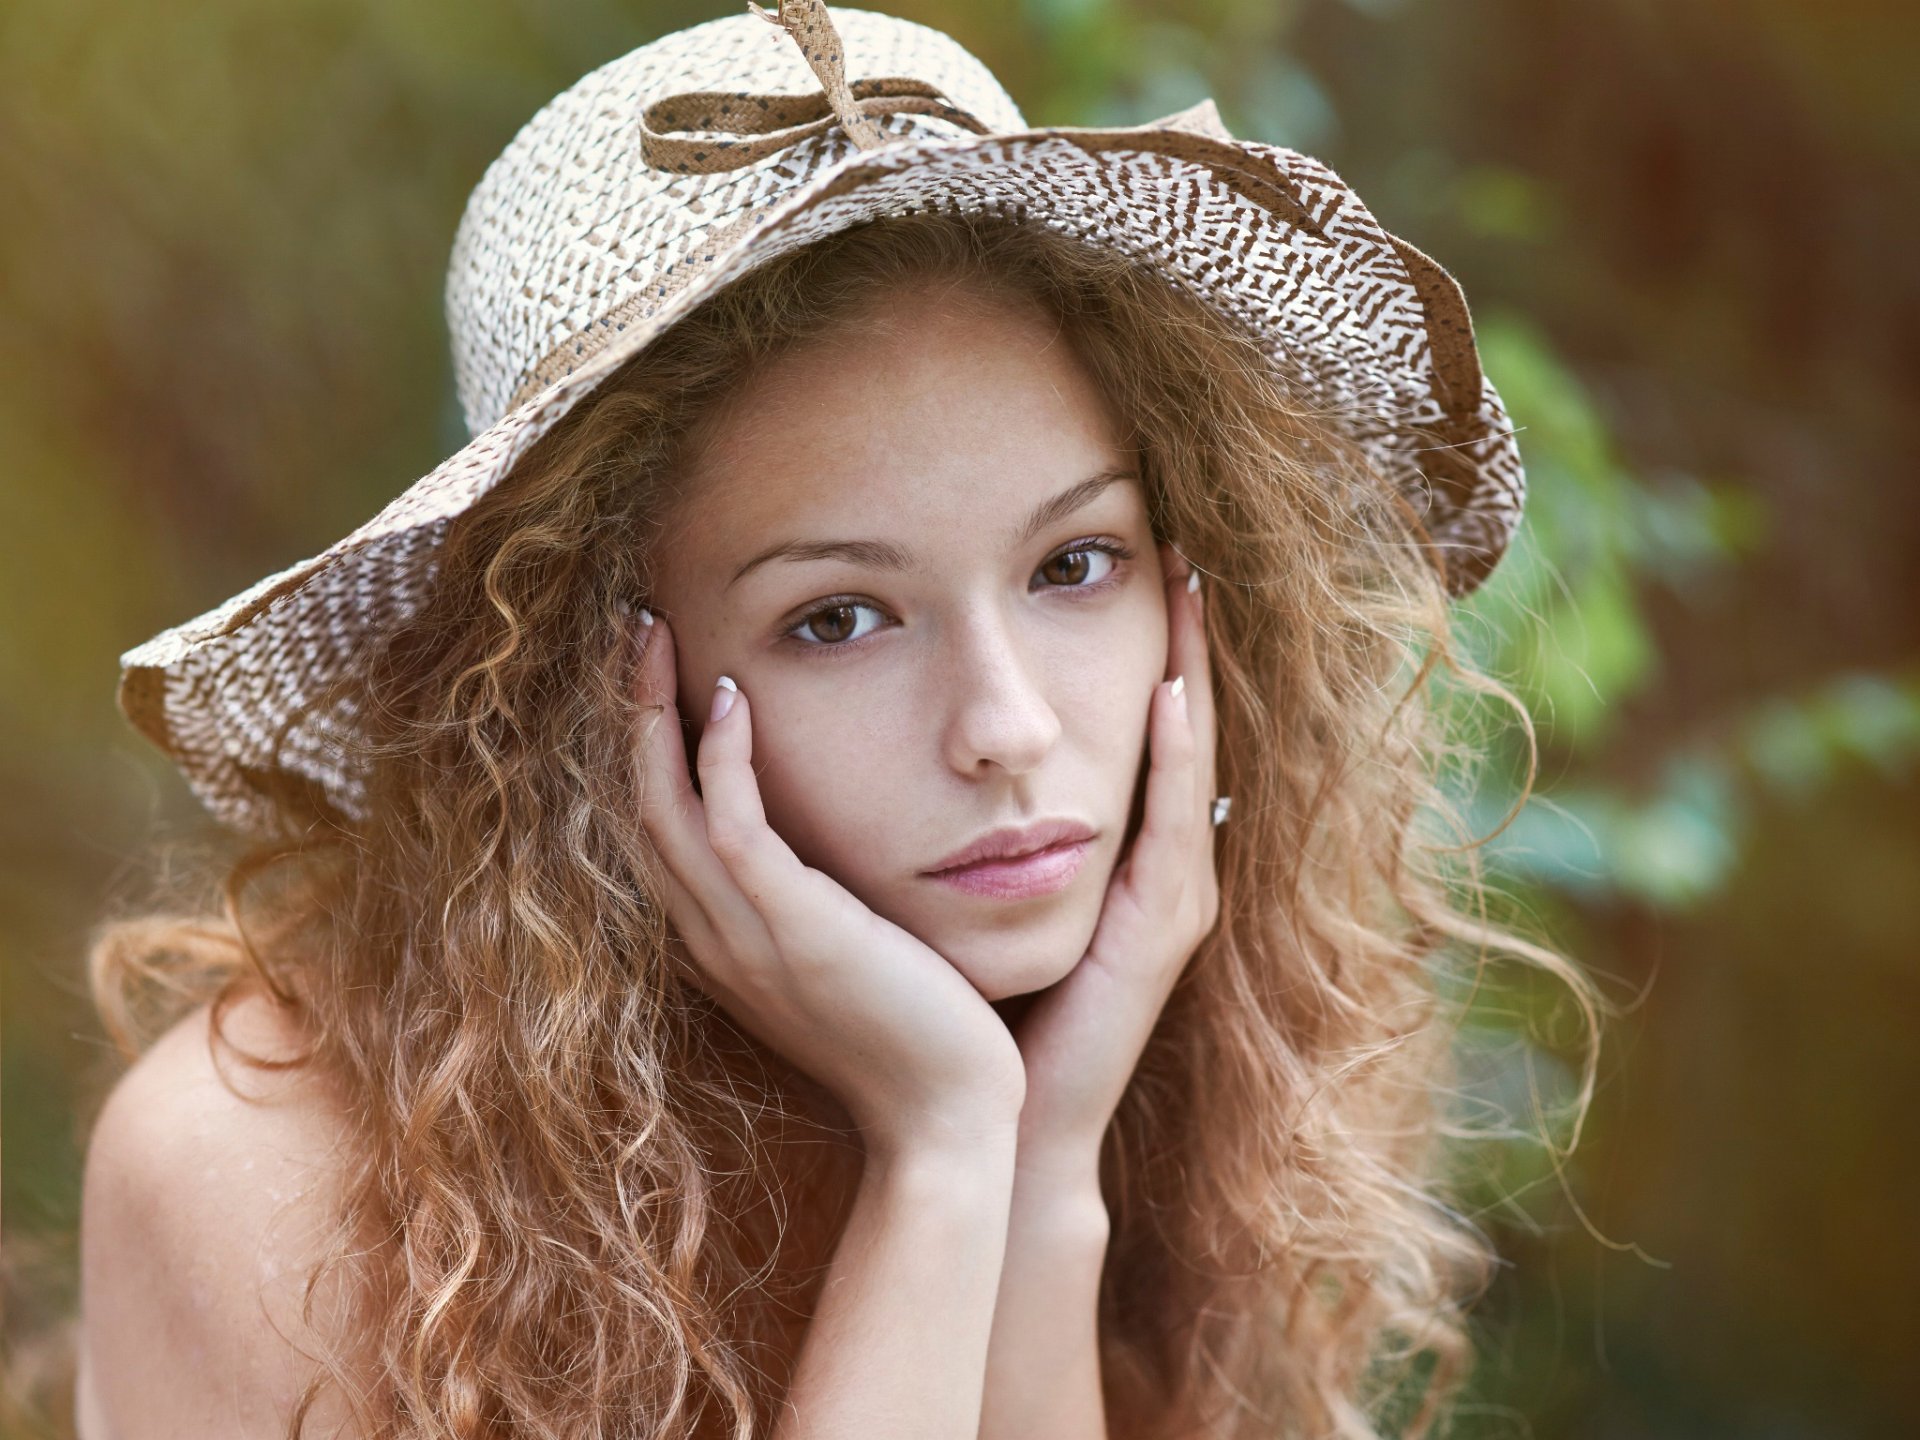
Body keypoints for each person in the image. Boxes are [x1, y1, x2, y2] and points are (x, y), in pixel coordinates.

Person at [74, 4, 1600, 1437]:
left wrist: (1043, 1159)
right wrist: (944, 1155)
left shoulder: (1185, 1077)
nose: (1005, 728)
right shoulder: (256, 1168)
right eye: (837, 620)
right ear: (589, 697)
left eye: (1076, 565)